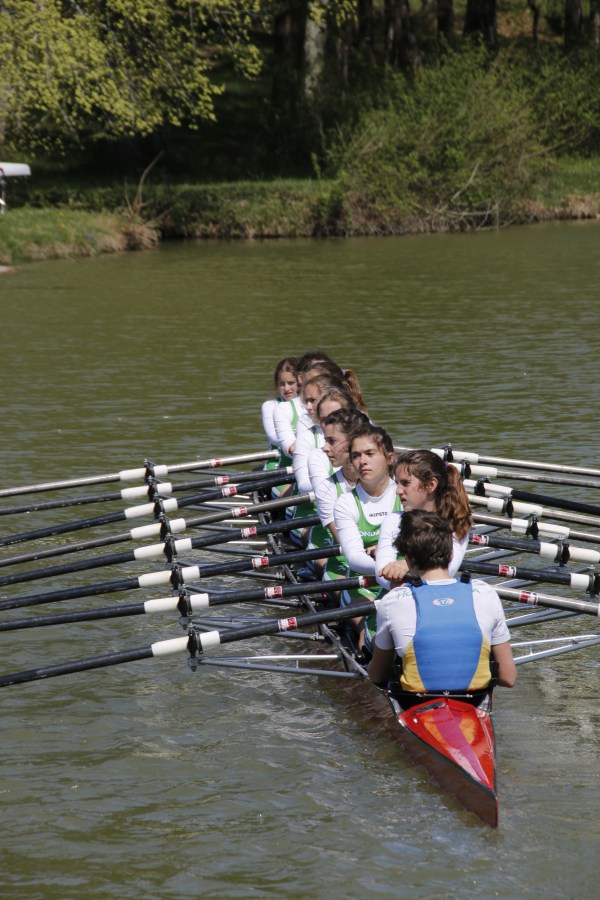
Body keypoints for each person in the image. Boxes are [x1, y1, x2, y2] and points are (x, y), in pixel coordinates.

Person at [368, 509, 516, 708]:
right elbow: (508, 677)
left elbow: (377, 675)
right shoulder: (486, 592)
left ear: (407, 559)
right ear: (452, 553)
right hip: (473, 702)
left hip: (416, 703)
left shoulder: (392, 600)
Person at [376, 449, 472, 591]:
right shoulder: (393, 521)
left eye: (405, 483)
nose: (398, 491)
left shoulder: (456, 522)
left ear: (431, 485)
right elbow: (381, 573)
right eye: (397, 483)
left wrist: (406, 565)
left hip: (436, 594)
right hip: (396, 594)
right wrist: (404, 587)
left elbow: (448, 571)